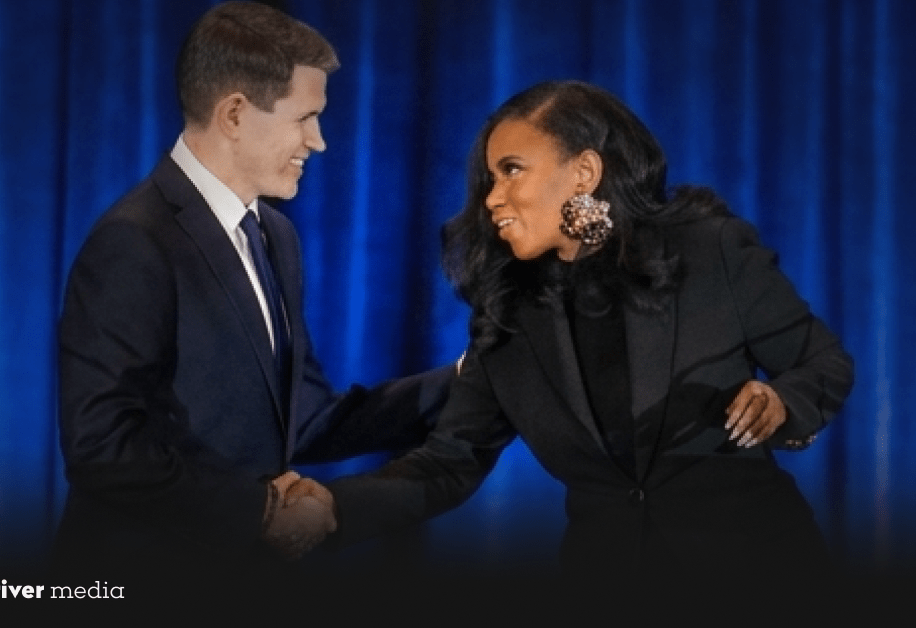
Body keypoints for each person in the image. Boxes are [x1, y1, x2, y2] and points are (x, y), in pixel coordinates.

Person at [301, 80, 854, 591]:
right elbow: (449, 462)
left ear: (584, 173)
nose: (493, 197)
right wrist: (331, 509)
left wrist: (782, 402)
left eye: (512, 169)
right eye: (491, 178)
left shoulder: (710, 251)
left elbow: (823, 362)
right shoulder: (508, 313)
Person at [51, 1, 454, 600]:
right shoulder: (134, 241)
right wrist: (261, 510)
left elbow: (306, 417)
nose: (318, 142)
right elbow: (104, 448)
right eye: (305, 118)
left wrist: (465, 382)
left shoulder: (276, 238)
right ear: (235, 114)